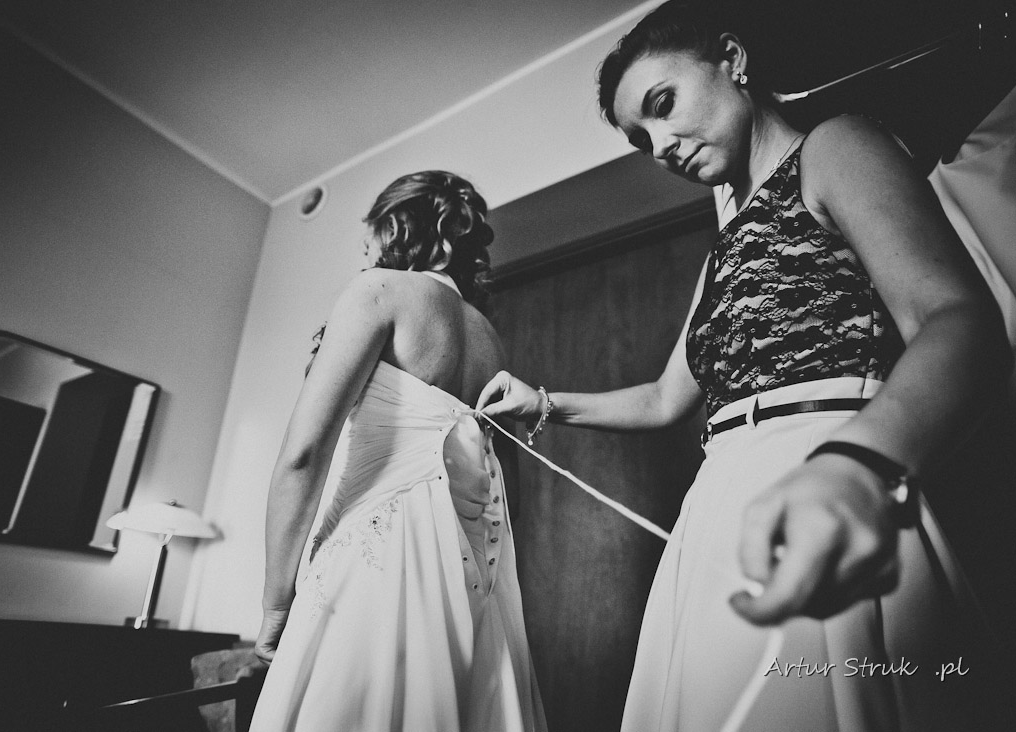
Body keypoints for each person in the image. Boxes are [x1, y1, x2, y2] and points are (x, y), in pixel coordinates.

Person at [476, 2, 1012, 730]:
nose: (660, 146)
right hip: (717, 499)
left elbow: (956, 320)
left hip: (828, 470)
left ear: (732, 60)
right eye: (640, 138)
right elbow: (666, 398)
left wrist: (858, 463)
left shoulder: (836, 147)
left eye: (662, 105)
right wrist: (541, 402)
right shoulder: (722, 250)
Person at [249, 171, 547, 732]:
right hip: (466, 573)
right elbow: (497, 476)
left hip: (374, 566)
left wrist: (274, 605)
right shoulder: (489, 338)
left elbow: (303, 455)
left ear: (395, 227)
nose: (366, 250)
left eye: (370, 235)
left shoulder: (379, 292)